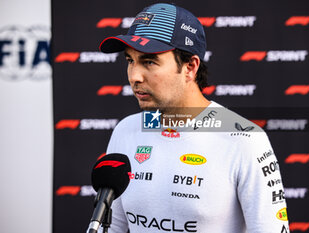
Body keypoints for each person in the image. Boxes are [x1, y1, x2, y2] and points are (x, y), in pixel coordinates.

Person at [99, 3, 289, 233]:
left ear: (190, 67)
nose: (134, 76)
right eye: (130, 61)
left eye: (149, 61)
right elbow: (111, 227)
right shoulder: (126, 131)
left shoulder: (245, 139)